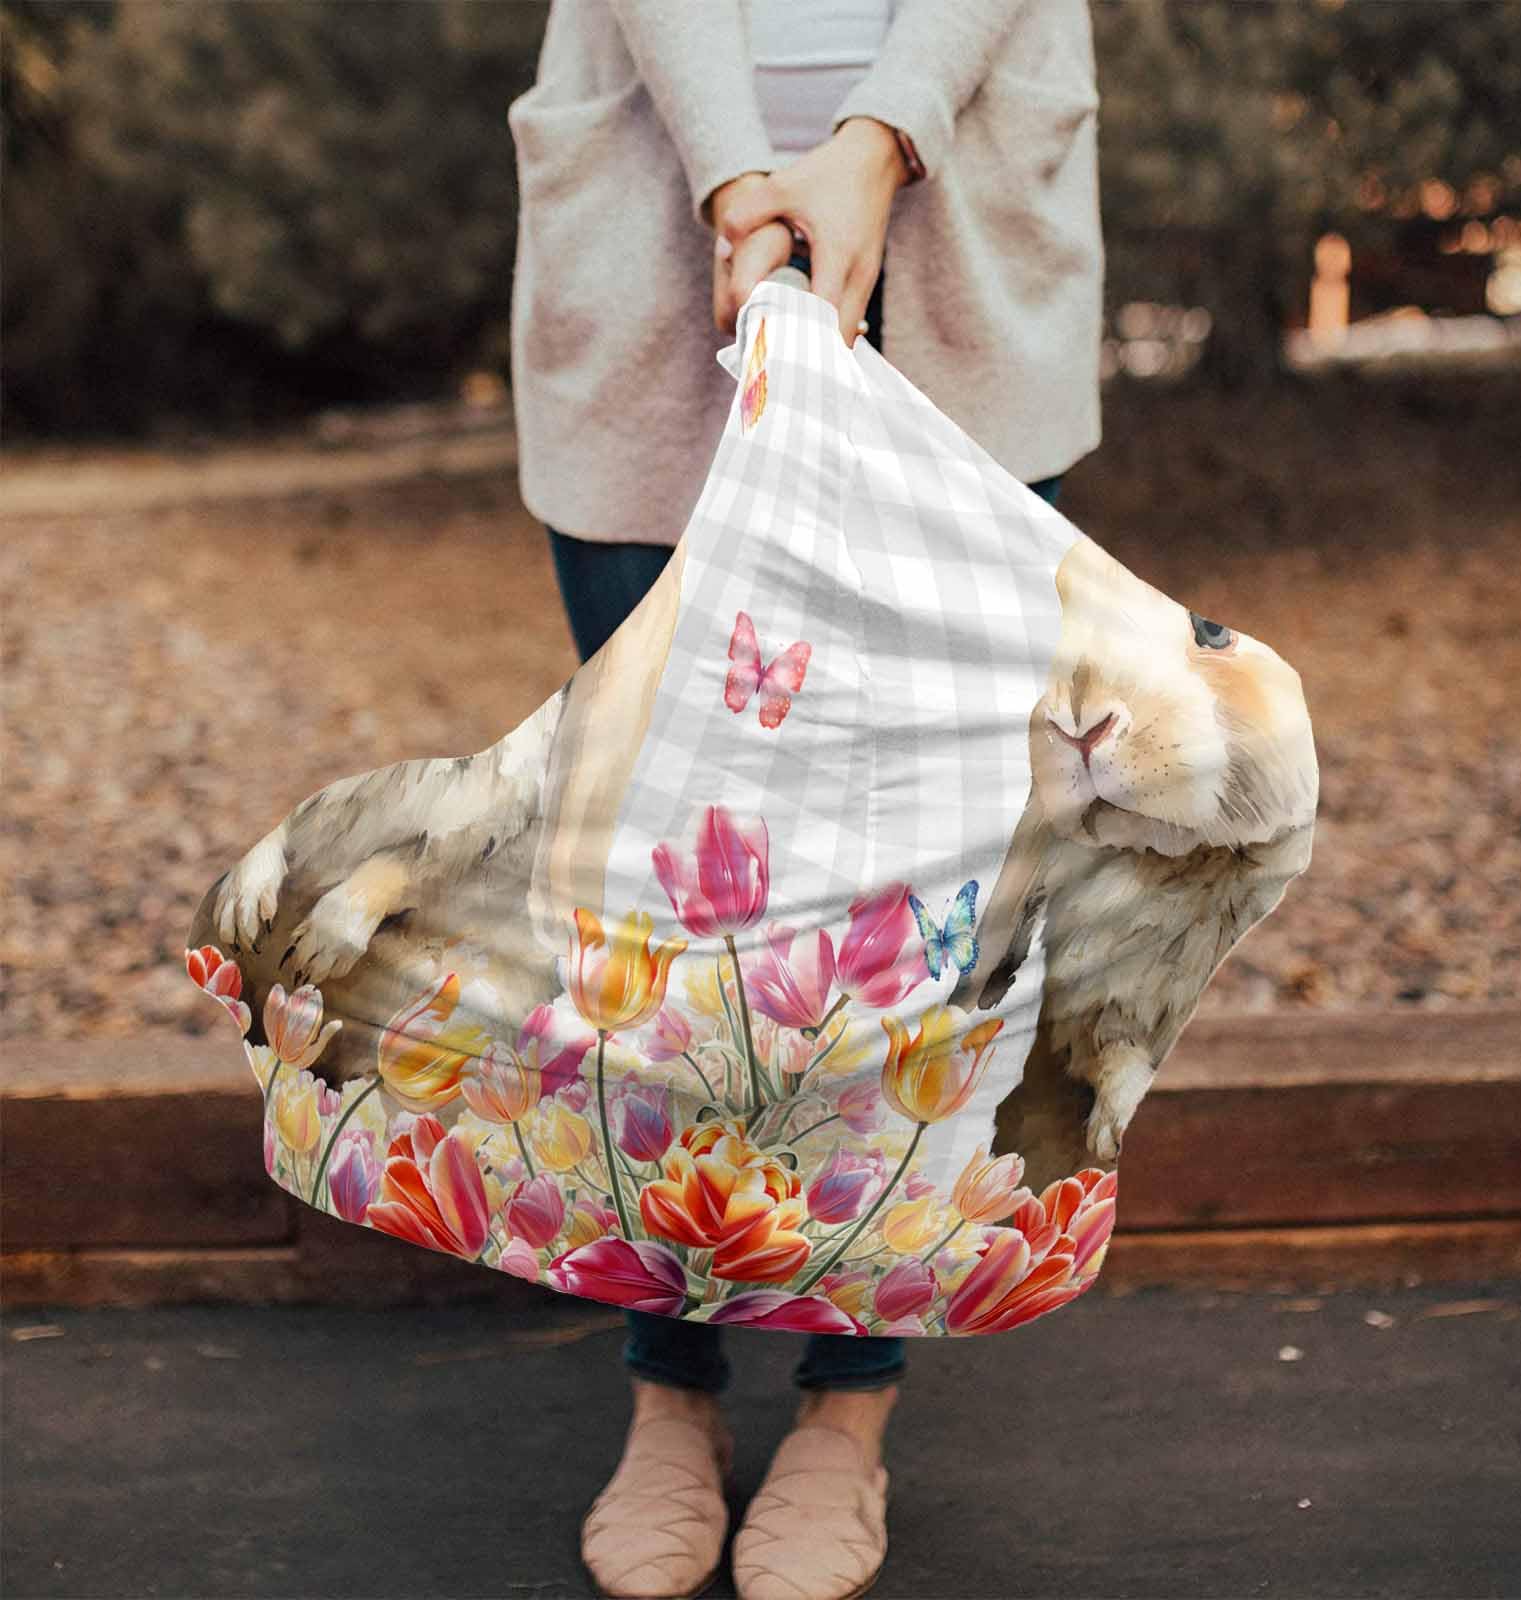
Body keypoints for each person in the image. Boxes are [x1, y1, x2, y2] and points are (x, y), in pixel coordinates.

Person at [506, 4, 1103, 1596]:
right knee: (662, 884)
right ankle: (670, 1390)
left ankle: (849, 1408)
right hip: (657, 217)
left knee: (915, 895)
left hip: (960, 217)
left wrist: (876, 137)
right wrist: (734, 178)